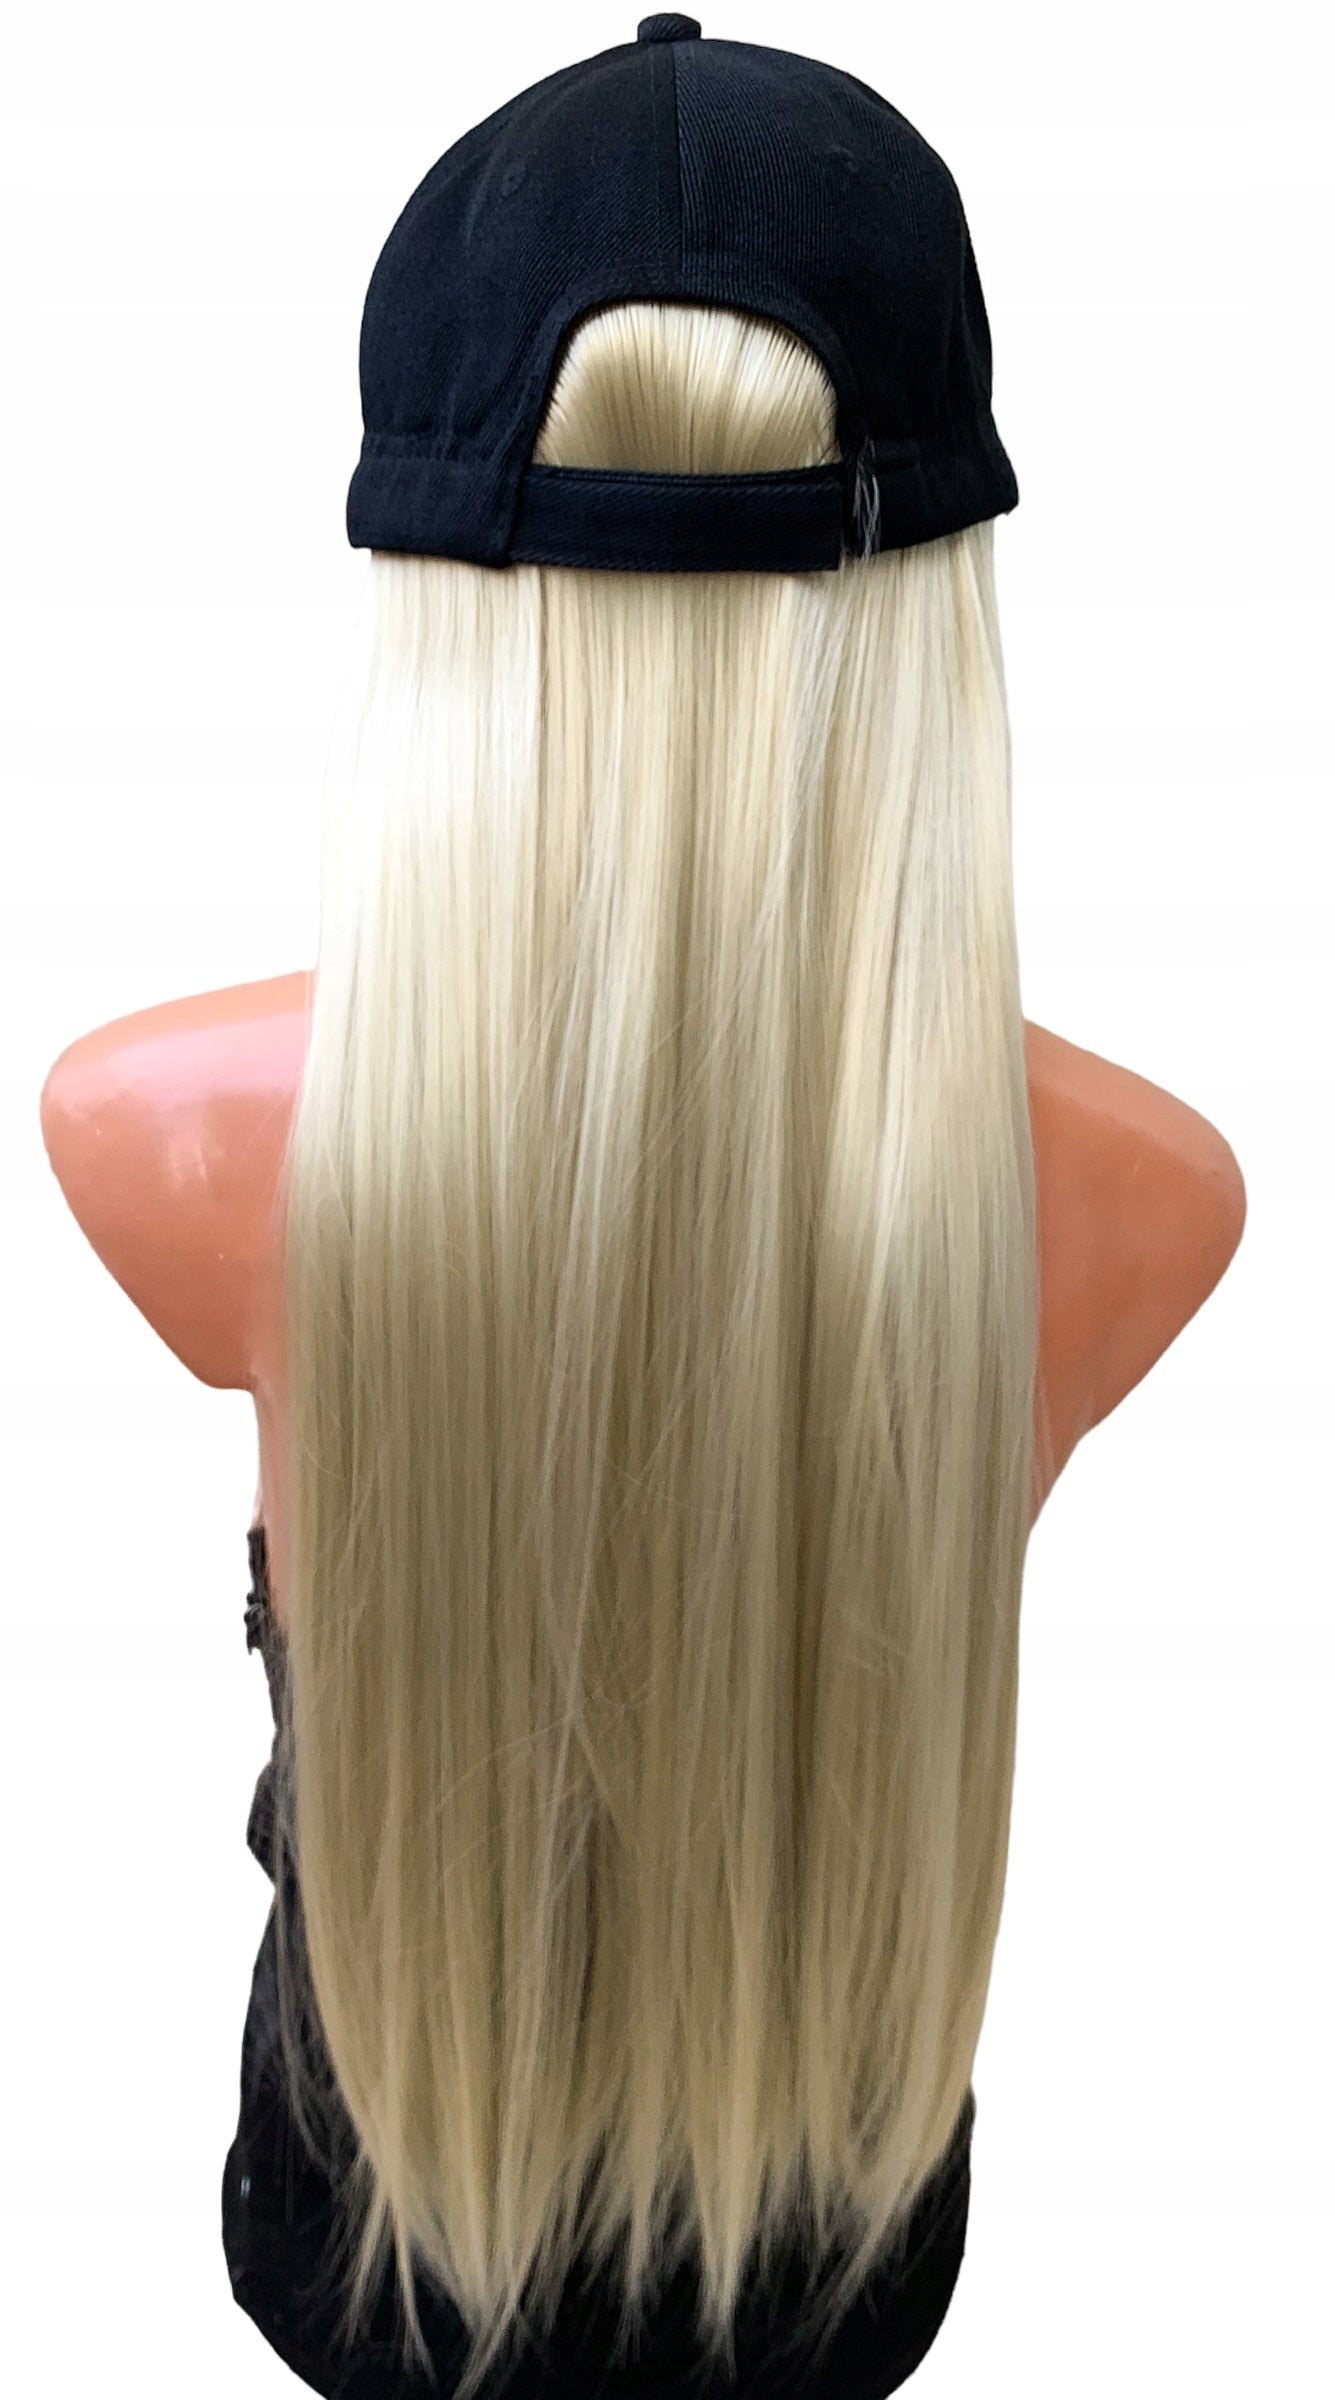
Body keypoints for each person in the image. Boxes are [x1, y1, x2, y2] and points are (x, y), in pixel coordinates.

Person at [39, 20, 1247, 2399]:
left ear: (429, 601)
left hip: (384, 2226)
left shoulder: (166, 1126)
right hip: (837, 2244)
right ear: (933, 598)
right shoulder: (1128, 1194)